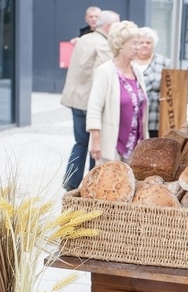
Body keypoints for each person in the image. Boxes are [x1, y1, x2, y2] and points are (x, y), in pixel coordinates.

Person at [60, 10, 120, 191]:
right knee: (97, 145)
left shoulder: (83, 39)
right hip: (91, 103)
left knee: (80, 142)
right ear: (108, 26)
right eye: (117, 23)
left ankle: (71, 182)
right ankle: (92, 186)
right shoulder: (104, 45)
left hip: (75, 99)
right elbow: (101, 78)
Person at [87, 21, 149, 164]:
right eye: (134, 44)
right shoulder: (105, 71)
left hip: (136, 144)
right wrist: (96, 142)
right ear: (120, 46)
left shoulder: (137, 71)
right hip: (112, 143)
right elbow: (94, 109)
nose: (138, 48)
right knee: (110, 183)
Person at [134, 27, 171, 138]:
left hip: (155, 119)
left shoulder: (164, 62)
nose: (145, 45)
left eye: (148, 42)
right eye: (141, 42)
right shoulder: (129, 62)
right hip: (133, 119)